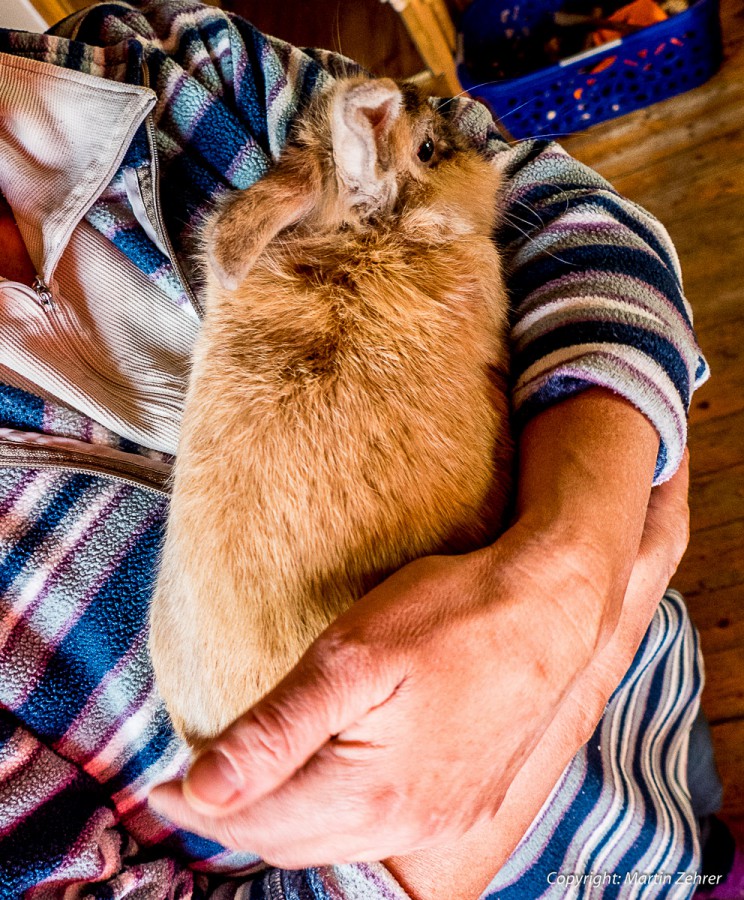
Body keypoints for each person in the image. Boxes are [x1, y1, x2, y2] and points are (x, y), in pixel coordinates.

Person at [0, 1, 732, 897]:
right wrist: (599, 630)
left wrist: (575, 568)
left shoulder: (155, 65)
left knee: (693, 825)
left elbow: (560, 208)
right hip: (535, 864)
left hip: (647, 733)